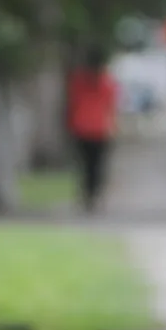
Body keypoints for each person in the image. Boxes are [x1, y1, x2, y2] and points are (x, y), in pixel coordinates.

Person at [66, 45, 118, 213]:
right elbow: (111, 106)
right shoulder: (107, 82)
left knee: (84, 164)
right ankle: (94, 193)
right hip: (100, 128)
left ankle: (87, 193)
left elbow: (72, 102)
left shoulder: (78, 81)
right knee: (97, 164)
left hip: (81, 127)